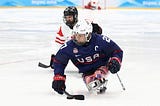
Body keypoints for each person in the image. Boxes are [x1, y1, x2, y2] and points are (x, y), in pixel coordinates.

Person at [52, 20, 123, 94]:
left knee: (98, 76)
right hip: (86, 71)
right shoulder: (69, 46)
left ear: (88, 35)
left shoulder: (100, 40)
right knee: (91, 82)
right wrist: (58, 77)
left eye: (80, 35)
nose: (76, 37)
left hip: (103, 66)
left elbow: (116, 50)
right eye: (76, 34)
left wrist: (116, 61)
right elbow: (59, 61)